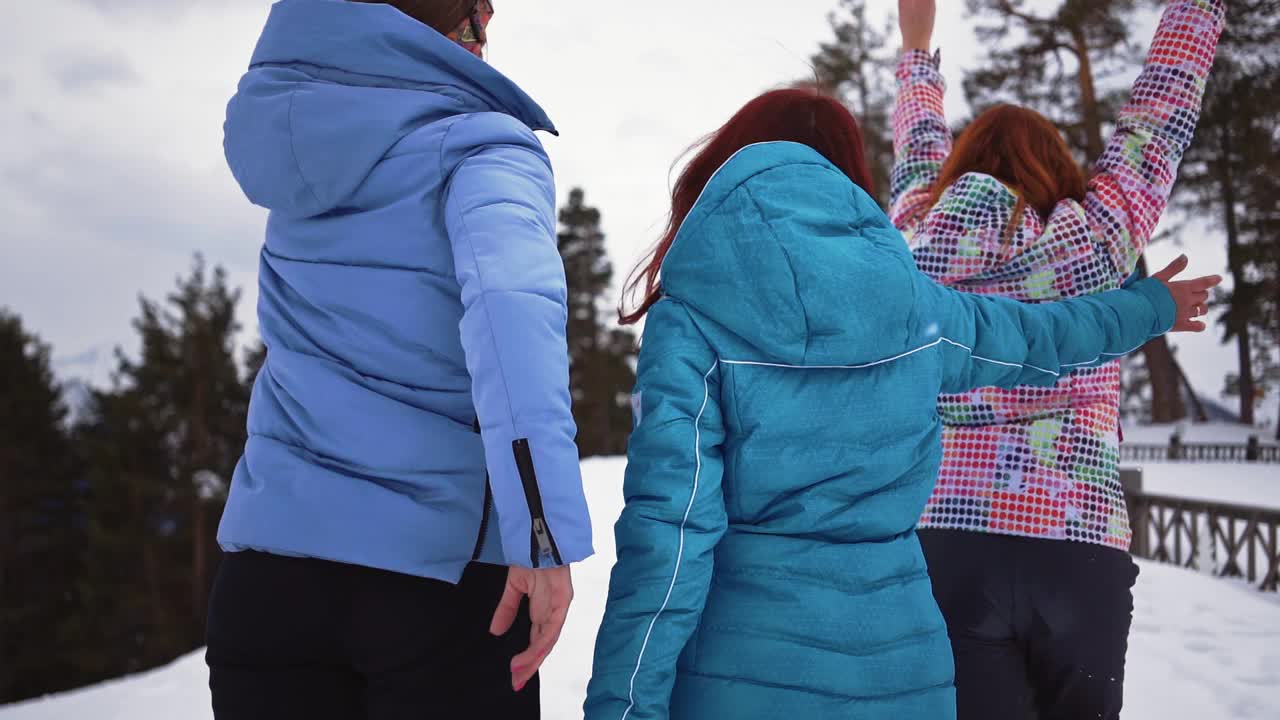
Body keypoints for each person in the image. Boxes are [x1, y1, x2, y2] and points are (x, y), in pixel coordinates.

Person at [582, 86, 1220, 720]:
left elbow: (667, 535)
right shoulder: (913, 306)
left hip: (739, 675)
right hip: (901, 678)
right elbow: (1041, 337)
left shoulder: (692, 319)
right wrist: (1150, 306)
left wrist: (622, 704)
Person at [207, 1, 592, 718]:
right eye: (477, 20)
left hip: (265, 588)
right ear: (438, 29)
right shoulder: (482, 148)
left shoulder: (302, 142)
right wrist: (542, 536)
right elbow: (511, 318)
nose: (484, 43)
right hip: (431, 596)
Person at [890, 1, 1225, 717]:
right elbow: (1159, 113)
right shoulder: (1101, 237)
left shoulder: (918, 233)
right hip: (1080, 544)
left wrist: (917, 48)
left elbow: (918, 146)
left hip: (947, 542)